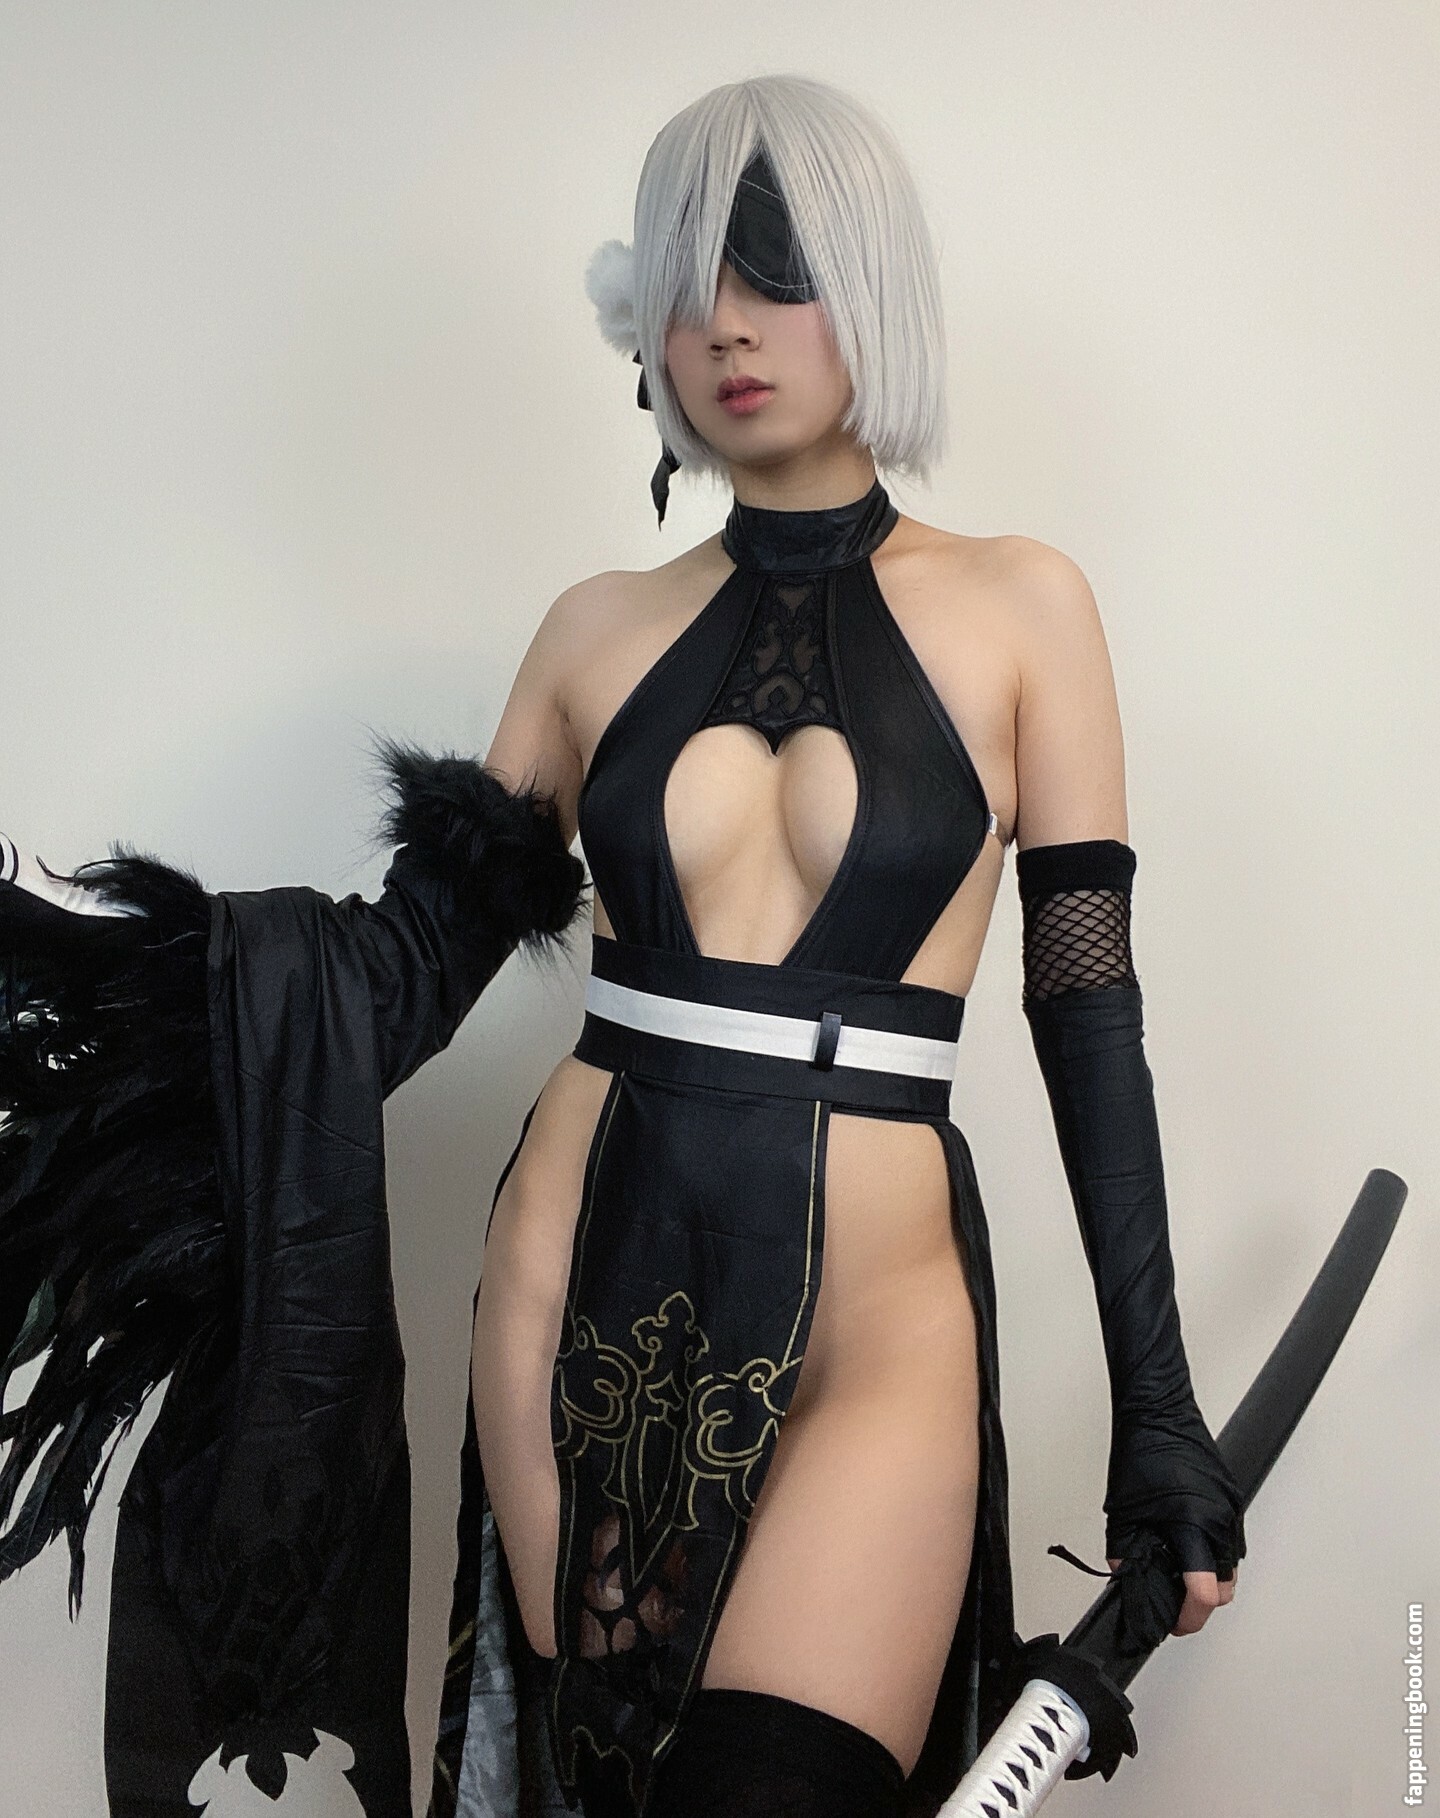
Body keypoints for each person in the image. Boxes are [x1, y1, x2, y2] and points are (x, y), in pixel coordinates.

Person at [0, 73, 1245, 1818]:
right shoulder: (595, 633)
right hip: (577, 1305)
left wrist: (1157, 1409)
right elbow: (398, 976)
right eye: (685, 278)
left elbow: (1087, 1007)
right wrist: (100, 998)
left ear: (873, 284)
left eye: (775, 265)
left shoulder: (1026, 607)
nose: (724, 321)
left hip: (879, 1324)